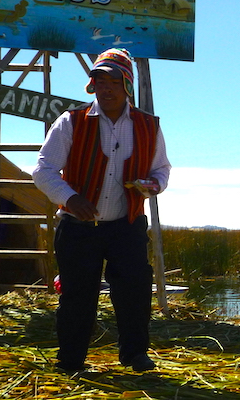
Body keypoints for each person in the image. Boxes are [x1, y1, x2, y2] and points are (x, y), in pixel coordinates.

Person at [33, 48, 171, 373]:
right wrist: (70, 198)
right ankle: (71, 361)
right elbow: (43, 169)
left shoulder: (148, 126)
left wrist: (152, 185)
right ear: (91, 86)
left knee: (135, 293)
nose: (106, 88)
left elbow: (162, 169)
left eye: (114, 81)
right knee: (77, 297)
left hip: (128, 224)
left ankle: (135, 354)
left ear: (127, 85)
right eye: (99, 81)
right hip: (79, 229)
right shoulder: (71, 121)